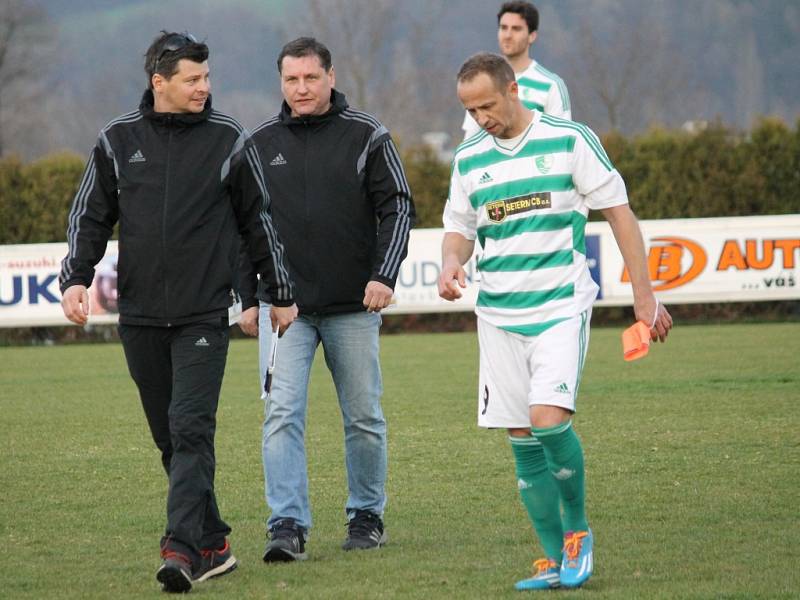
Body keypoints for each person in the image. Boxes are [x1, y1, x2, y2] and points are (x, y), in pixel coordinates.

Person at [59, 31, 298, 593]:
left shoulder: (229, 139)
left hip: (202, 315)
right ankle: (213, 542)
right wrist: (76, 278)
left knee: (191, 429)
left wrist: (279, 290)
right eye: (192, 79)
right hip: (139, 316)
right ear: (159, 82)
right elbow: (90, 216)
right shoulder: (117, 140)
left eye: (206, 77)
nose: (203, 88)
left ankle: (180, 550)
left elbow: (258, 221)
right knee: (169, 438)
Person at [438, 53, 672, 591]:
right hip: (497, 313)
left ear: (513, 89)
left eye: (487, 106)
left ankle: (578, 532)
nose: (480, 119)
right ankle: (550, 558)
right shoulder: (470, 158)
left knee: (548, 419)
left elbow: (619, 213)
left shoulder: (570, 139)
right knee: (520, 435)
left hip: (559, 306)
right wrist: (453, 261)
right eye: (470, 110)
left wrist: (644, 297)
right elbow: (459, 227)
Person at [237, 37, 414, 562]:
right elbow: (244, 226)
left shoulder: (368, 135)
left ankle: (366, 515)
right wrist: (248, 296)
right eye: (291, 80)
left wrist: (385, 274)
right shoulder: (259, 143)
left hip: (353, 308)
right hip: (283, 310)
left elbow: (398, 207)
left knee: (362, 416)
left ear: (330, 77)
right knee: (281, 414)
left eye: (311, 78)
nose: (302, 88)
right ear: (281, 83)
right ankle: (286, 525)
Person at [462, 1, 571, 139]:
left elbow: (562, 139)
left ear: (532, 36)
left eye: (516, 29)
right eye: (503, 28)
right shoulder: (482, 83)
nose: (508, 35)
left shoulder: (551, 85)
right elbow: (470, 139)